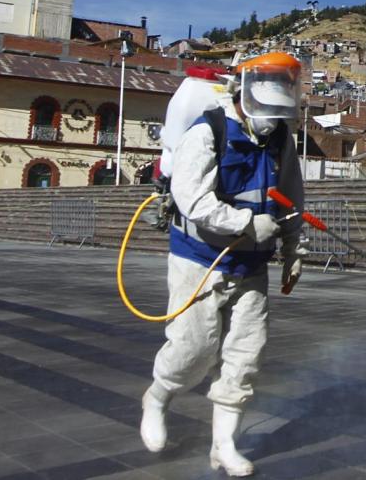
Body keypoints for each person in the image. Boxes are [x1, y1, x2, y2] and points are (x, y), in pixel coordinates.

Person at [139, 52, 306, 477]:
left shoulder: (280, 140)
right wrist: (248, 222)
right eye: (266, 111)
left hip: (251, 265)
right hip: (200, 259)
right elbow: (193, 200)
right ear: (243, 96)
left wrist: (292, 250)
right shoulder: (208, 132)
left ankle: (223, 445)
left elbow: (292, 198)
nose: (271, 120)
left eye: (278, 112)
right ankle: (158, 397)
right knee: (193, 348)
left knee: (245, 355)